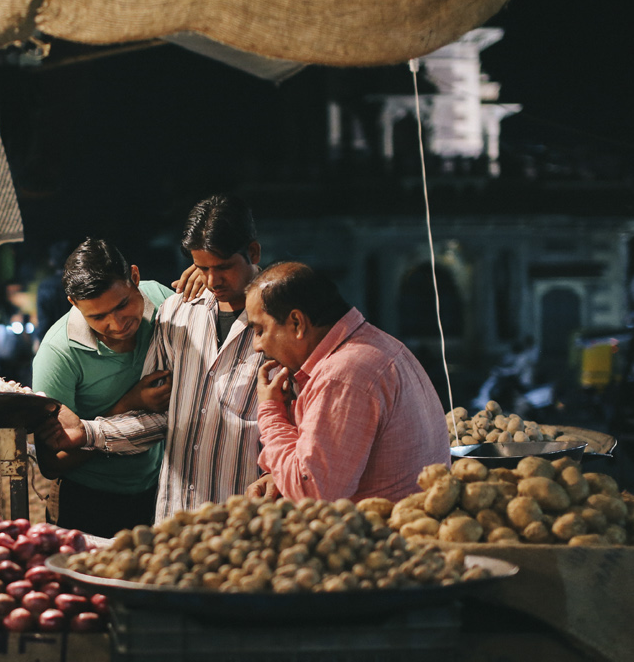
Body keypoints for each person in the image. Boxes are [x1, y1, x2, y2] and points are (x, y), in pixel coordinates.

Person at [41, 194, 265, 523]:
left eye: (224, 267)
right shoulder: (179, 312)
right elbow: (157, 418)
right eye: (202, 267)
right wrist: (88, 433)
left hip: (248, 515)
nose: (212, 280)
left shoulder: (279, 320)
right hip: (176, 515)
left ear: (253, 253)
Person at [246, 262, 450, 502]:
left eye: (260, 330)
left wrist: (271, 412)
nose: (257, 346)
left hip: (382, 535)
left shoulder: (343, 375)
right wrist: (281, 475)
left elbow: (312, 493)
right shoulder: (371, 345)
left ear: (296, 323)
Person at [31, 238, 173, 538]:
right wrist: (130, 404)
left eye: (123, 305)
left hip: (158, 490)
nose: (118, 323)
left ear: (135, 278)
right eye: (97, 317)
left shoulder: (162, 300)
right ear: (74, 304)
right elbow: (51, 463)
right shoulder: (57, 355)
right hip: (86, 500)